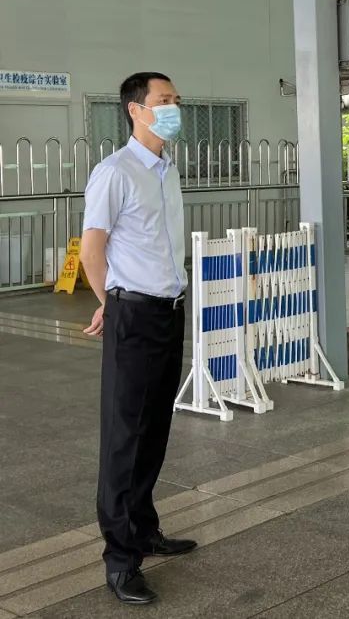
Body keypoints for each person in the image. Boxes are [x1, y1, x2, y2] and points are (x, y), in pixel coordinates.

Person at [81, 72, 198, 605]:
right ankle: (121, 560)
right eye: (163, 100)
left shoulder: (166, 170)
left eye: (176, 100)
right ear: (136, 109)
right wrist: (113, 303)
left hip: (168, 312)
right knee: (124, 436)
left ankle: (144, 528)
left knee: (153, 429)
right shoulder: (115, 172)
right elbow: (92, 249)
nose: (173, 108)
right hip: (134, 315)